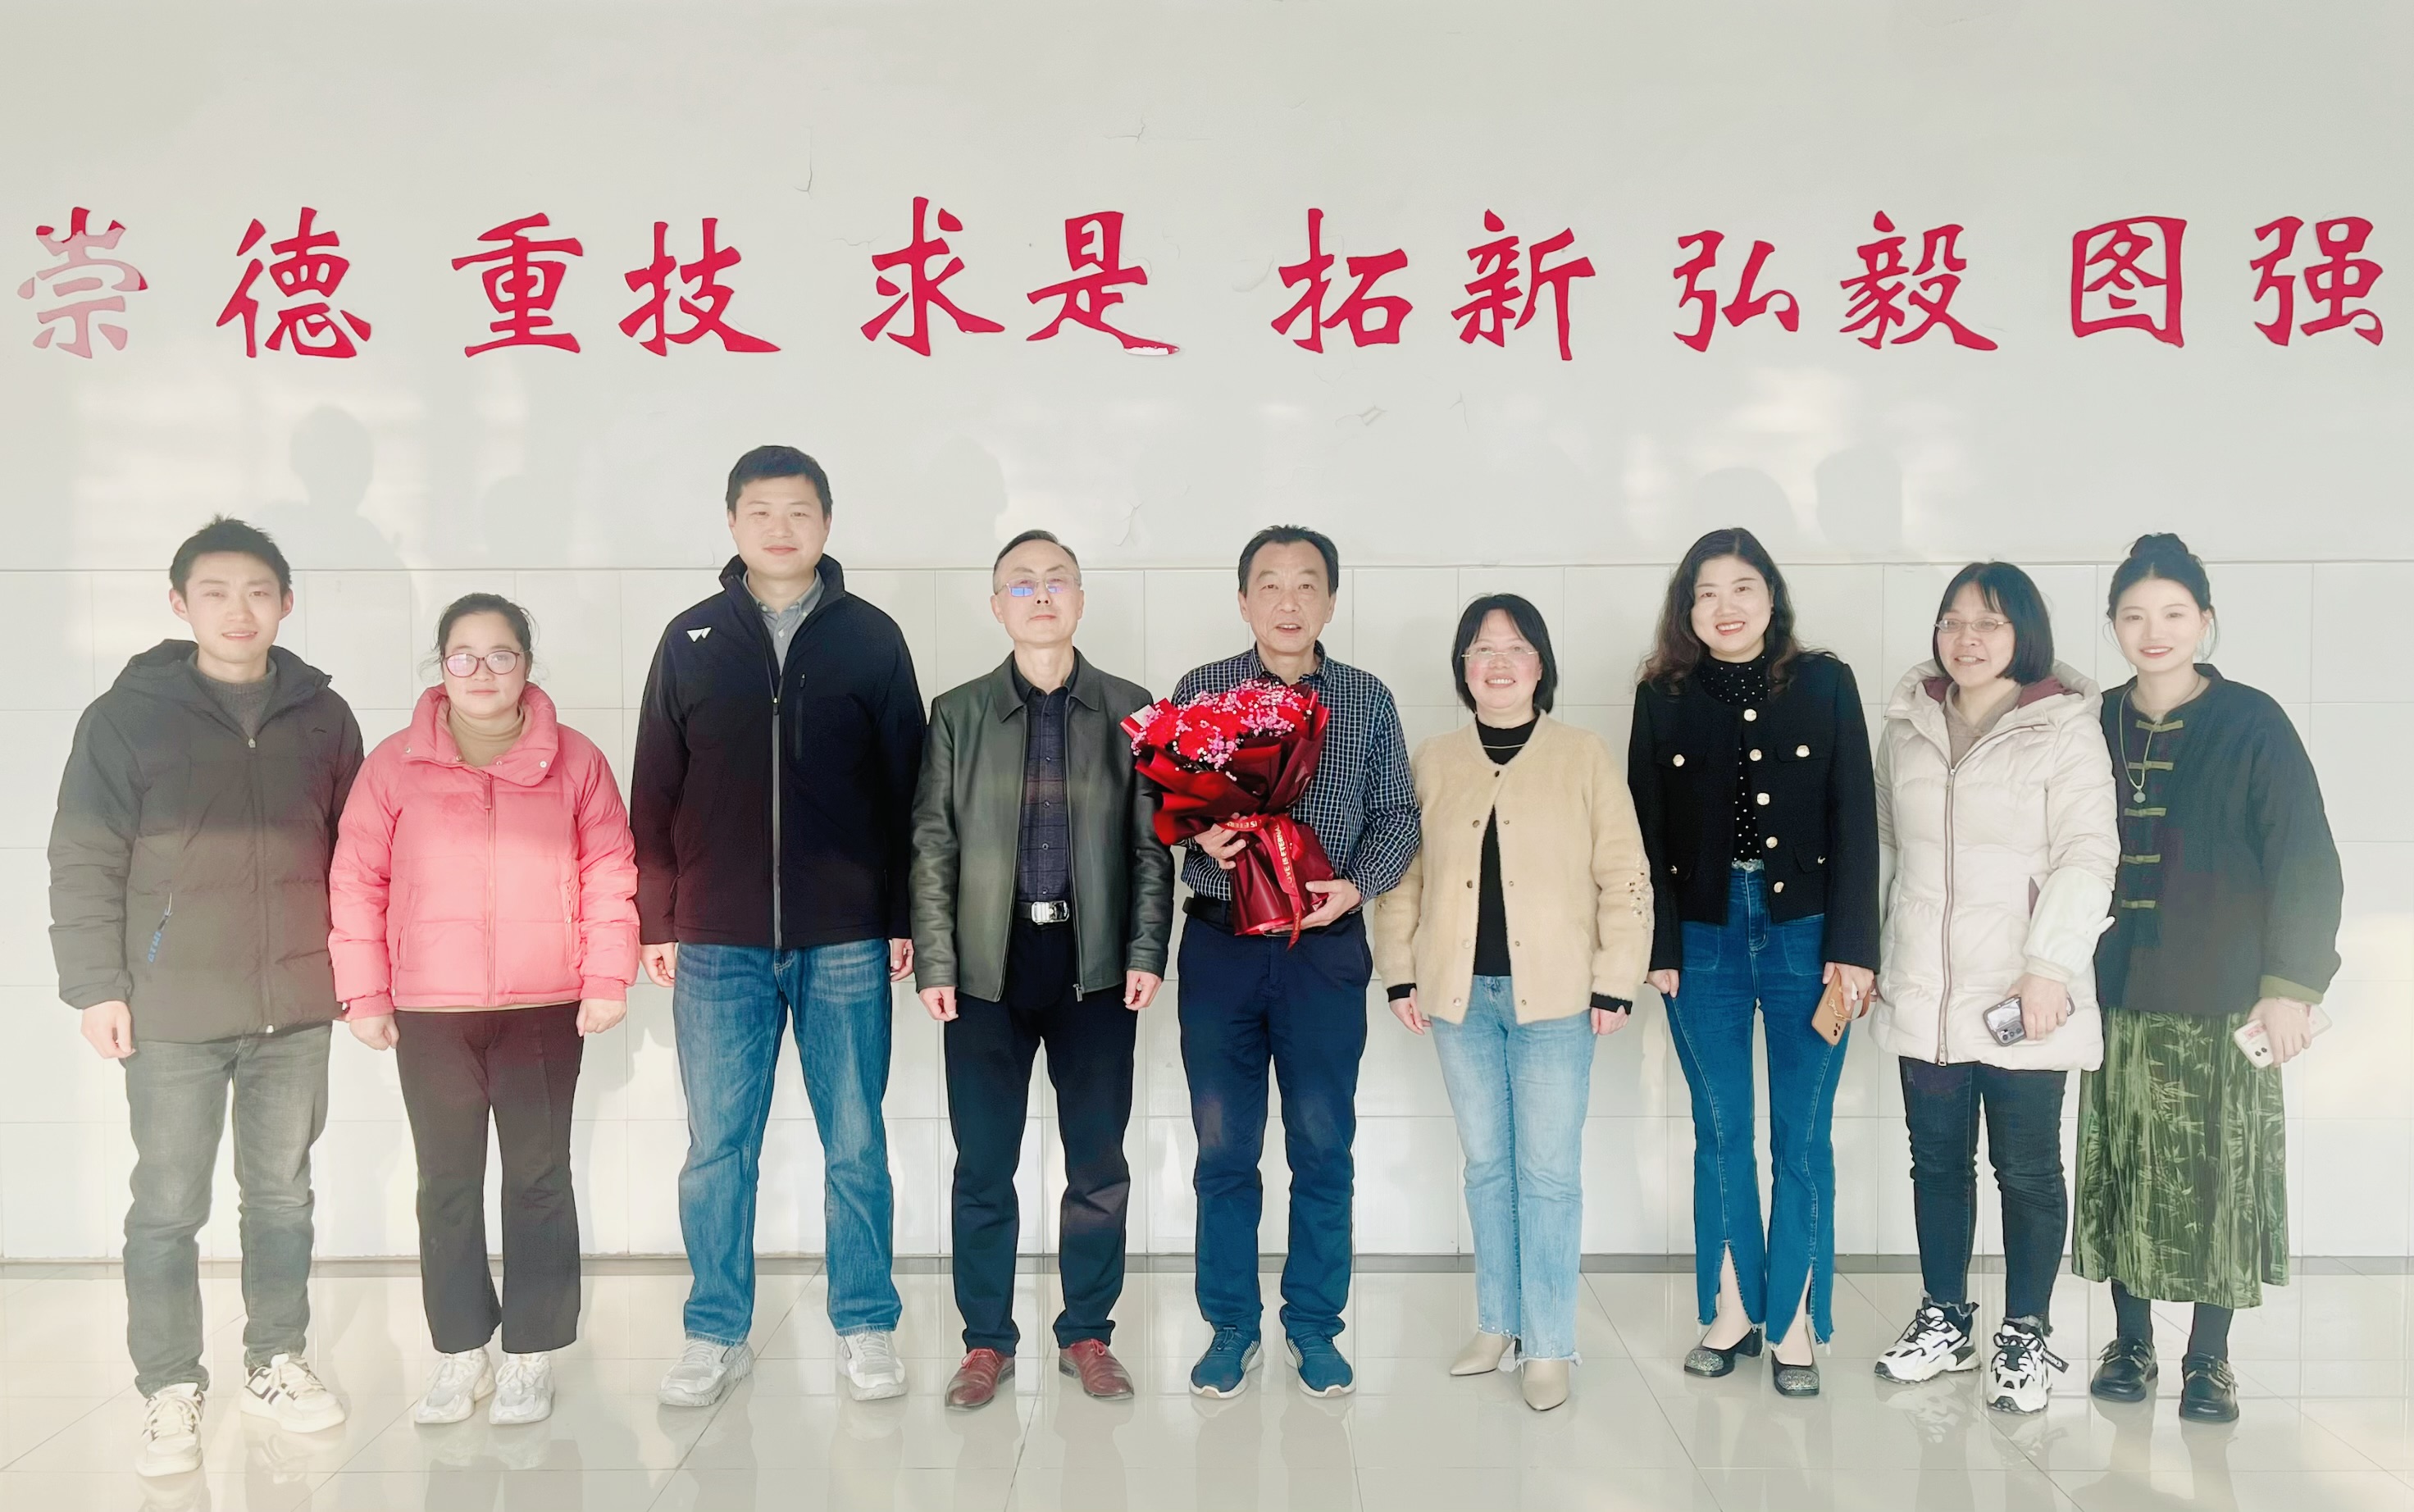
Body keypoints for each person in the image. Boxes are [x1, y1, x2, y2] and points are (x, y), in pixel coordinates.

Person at [48, 517, 362, 1477]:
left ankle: (276, 1360)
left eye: (259, 591)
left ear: (286, 604)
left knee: (282, 1195)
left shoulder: (323, 715)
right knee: (167, 1204)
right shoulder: (125, 716)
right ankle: (170, 1384)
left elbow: (359, 857)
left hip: (294, 1004)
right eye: (216, 591)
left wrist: (360, 972)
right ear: (179, 602)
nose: (239, 609)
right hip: (171, 1008)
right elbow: (84, 855)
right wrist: (96, 985)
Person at [631, 445, 927, 1406]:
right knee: (717, 1147)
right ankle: (713, 1329)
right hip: (716, 937)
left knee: (855, 1140)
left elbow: (910, 790)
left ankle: (866, 1322)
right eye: (760, 510)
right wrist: (657, 915)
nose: (780, 528)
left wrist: (899, 913)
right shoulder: (690, 638)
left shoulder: (872, 638)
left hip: (844, 933)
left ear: (826, 523)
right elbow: (654, 786)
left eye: (798, 510)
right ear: (733, 523)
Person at [329, 594, 639, 1428]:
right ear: (441, 666)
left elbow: (611, 868)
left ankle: (530, 1353)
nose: (481, 672)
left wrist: (606, 977)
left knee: (539, 1178)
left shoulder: (577, 760)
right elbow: (356, 879)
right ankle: (461, 1350)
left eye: (501, 654)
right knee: (446, 1183)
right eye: (462, 656)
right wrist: (365, 991)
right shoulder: (394, 764)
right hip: (430, 1009)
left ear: (526, 664)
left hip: (545, 1004)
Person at [2075, 533, 2343, 1423]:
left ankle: (2209, 1359)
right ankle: (2130, 1342)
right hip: (2117, 990)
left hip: (2227, 993)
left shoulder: (2251, 721)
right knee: (2124, 1165)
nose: (2153, 631)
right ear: (2114, 625)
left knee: (2219, 1177)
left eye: (2173, 613)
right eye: (2133, 615)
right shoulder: (2093, 721)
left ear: (2205, 621)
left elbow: (2305, 857)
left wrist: (2290, 985)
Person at [909, 531, 1174, 1410]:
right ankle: (986, 1340)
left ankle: (1088, 1332)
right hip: (987, 967)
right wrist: (937, 957)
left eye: (1057, 580)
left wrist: (1145, 949)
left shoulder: (1132, 708)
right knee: (983, 1164)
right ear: (997, 606)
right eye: (1021, 584)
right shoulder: (958, 712)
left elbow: (1152, 845)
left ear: (1081, 599)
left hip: (1093, 969)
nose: (1042, 594)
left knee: (1096, 1161)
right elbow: (933, 841)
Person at [1372, 594, 1651, 1412]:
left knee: (1548, 1173)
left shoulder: (1582, 754)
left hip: (1559, 999)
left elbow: (1624, 873)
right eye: (1481, 648)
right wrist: (1399, 972)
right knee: (1488, 1168)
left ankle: (1550, 1341)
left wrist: (1616, 978)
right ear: (1462, 667)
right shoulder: (1434, 758)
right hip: (1458, 999)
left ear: (1541, 665)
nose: (1498, 662)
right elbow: (1404, 877)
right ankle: (1496, 1323)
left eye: (1516, 647)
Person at [1627, 526, 1879, 1398]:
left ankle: (1795, 1318)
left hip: (1810, 934)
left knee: (1801, 1137)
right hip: (1702, 936)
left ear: (1772, 597)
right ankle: (1733, 1309)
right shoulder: (1661, 695)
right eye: (1705, 592)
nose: (1724, 606)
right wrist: (1658, 944)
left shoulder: (1826, 683)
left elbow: (1856, 818)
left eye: (1742, 588)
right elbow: (1645, 830)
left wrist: (1854, 947)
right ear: (1685, 609)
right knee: (1722, 1129)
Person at [1867, 562, 2118, 1414]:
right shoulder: (1908, 724)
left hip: (2023, 992)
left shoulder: (2064, 727)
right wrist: (1875, 955)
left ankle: (2026, 1331)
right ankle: (1944, 1318)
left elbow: (2089, 853)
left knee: (2026, 1168)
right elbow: (1887, 848)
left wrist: (2049, 967)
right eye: (1952, 620)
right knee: (1936, 1160)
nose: (1966, 638)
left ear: (2023, 635)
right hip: (1927, 991)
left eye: (1989, 622)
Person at [1176, 525, 1420, 1400]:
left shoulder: (1365, 698)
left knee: (1322, 1146)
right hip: (1221, 948)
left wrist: (1357, 887)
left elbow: (1398, 815)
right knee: (1224, 1149)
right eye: (1270, 584)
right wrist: (1194, 830)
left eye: (1306, 584)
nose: (1288, 601)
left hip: (1322, 951)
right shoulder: (1203, 689)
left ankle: (1314, 1324)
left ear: (1331, 600)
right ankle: (1230, 1325)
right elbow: (1158, 800)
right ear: (1243, 600)